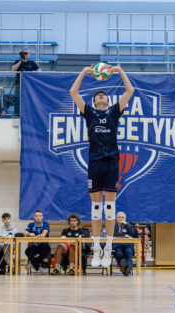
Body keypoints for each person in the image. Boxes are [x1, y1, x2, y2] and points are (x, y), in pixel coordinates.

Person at [69, 65, 135, 268]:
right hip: (95, 161)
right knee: (96, 207)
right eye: (97, 95)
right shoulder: (88, 112)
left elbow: (130, 91)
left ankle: (108, 248)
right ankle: (97, 249)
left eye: (103, 95)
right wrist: (84, 71)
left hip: (112, 161)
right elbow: (73, 92)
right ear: (94, 101)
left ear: (107, 101)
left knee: (110, 207)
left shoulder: (115, 111)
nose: (100, 96)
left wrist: (118, 69)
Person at [6, 48, 41, 117]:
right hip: (19, 82)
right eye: (24, 53)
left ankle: (29, 114)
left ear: (29, 54)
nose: (25, 54)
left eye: (26, 53)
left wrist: (32, 74)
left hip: (29, 84)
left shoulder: (32, 62)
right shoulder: (17, 61)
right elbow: (13, 69)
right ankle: (16, 114)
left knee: (29, 98)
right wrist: (20, 61)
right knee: (17, 98)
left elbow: (39, 71)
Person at [113, 212, 138, 276]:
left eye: (122, 217)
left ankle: (124, 268)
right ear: (116, 219)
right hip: (117, 245)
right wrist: (126, 235)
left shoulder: (129, 226)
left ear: (125, 218)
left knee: (129, 252)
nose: (121, 219)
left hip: (127, 245)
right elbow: (113, 234)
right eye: (119, 217)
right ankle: (127, 266)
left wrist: (126, 225)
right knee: (119, 253)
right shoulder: (113, 226)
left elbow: (133, 234)